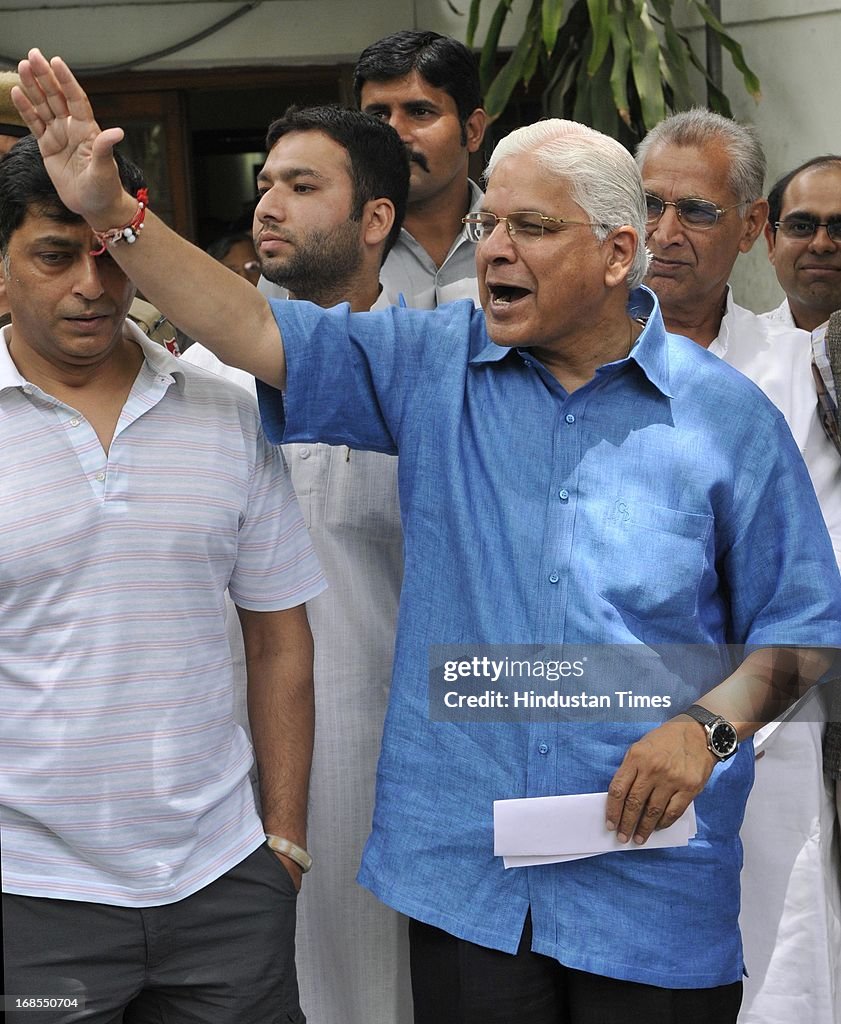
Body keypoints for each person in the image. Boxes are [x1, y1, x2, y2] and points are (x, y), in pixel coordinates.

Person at [15, 51, 841, 1024]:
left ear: (618, 255)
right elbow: (247, 324)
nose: (494, 248)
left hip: (649, 899)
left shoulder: (725, 420)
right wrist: (114, 213)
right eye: (490, 223)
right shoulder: (433, 361)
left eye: (532, 228)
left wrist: (703, 730)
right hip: (467, 888)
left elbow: (802, 633)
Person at [0, 131, 326, 1022]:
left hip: (222, 886)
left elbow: (279, 639)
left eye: (109, 255)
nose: (91, 286)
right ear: (1, 269)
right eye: (55, 256)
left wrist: (284, 841)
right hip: (30, 901)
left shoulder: (223, 411)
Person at [183, 104, 414, 1024]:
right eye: (265, 183)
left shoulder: (442, 372)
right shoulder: (197, 380)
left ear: (375, 220)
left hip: (397, 759)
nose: (268, 203)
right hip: (235, 769)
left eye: (302, 185)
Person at [637, 108, 841, 1024]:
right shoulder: (566, 360)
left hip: (771, 733)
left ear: (752, 228)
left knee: (773, 977)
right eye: (646, 206)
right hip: (613, 724)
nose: (663, 235)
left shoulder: (806, 367)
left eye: (696, 211)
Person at [353, 29, 486, 307]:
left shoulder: (520, 239)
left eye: (420, 112)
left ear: (472, 130)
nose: (395, 133)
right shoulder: (325, 244)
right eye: (378, 115)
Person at [763, 155, 841, 332]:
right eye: (801, 227)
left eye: (840, 229)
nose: (821, 245)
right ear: (771, 242)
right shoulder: (734, 353)